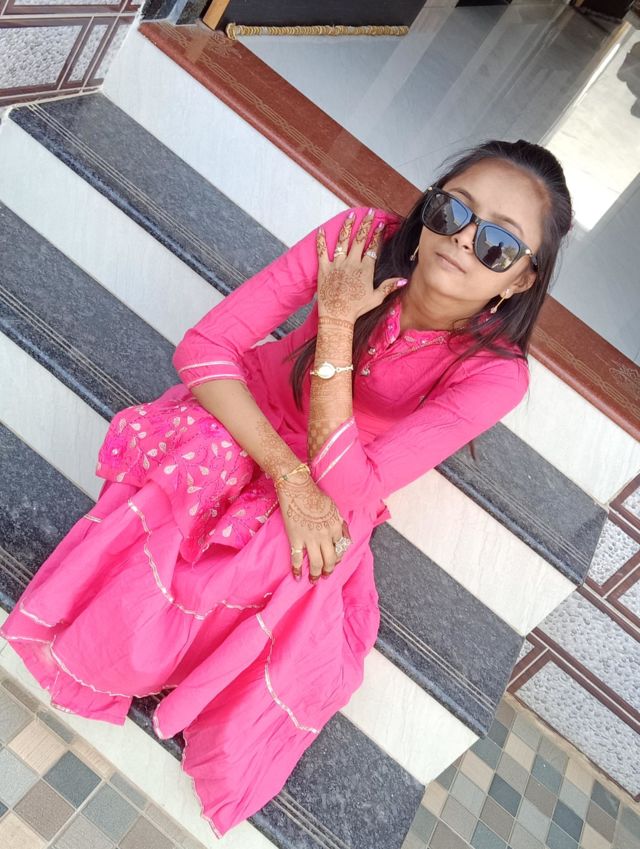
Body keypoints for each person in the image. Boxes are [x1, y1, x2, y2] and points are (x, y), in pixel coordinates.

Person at [0, 139, 572, 838]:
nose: (461, 239)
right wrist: (289, 469)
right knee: (202, 462)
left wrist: (336, 328)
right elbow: (205, 349)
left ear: (519, 280)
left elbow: (357, 486)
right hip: (249, 415)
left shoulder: (495, 374)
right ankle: (122, 647)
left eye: (497, 244)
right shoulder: (359, 241)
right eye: (453, 210)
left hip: (340, 479)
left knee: (291, 551)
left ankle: (176, 659)